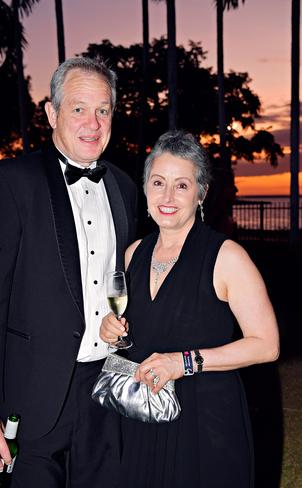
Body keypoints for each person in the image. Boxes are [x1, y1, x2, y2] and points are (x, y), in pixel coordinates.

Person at [0, 56, 137, 488]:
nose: (92, 123)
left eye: (103, 110)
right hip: (29, 397)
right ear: (52, 114)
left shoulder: (125, 188)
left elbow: (122, 284)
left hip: (105, 394)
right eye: (78, 108)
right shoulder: (11, 182)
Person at [100, 130, 279, 488]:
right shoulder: (133, 254)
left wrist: (181, 362)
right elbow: (141, 334)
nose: (167, 196)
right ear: (146, 188)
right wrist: (113, 332)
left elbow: (266, 344)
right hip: (143, 416)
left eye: (182, 185)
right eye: (158, 182)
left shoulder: (227, 257)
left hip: (205, 423)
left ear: (201, 192)